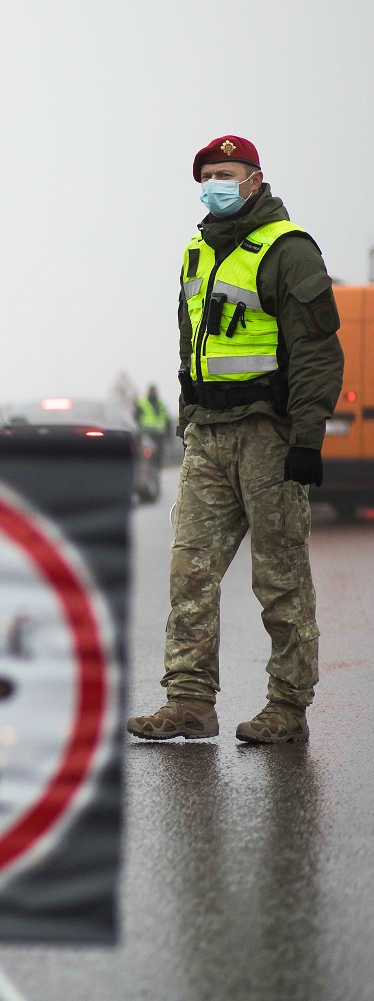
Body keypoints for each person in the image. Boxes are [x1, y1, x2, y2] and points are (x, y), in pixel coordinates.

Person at [127, 135, 343, 744]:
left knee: (279, 576)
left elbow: (316, 351)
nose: (214, 184)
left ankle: (287, 705)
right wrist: (188, 413)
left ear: (254, 179)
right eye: (206, 176)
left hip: (268, 435)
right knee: (190, 569)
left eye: (226, 173)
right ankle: (189, 701)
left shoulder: (289, 250)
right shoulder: (197, 249)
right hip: (210, 435)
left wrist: (307, 436)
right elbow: (190, 342)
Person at [134, 383, 169, 452]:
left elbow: (167, 420)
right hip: (146, 432)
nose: (152, 393)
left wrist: (168, 434)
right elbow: (136, 418)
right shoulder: (142, 403)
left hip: (158, 433)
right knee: (142, 450)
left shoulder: (161, 404)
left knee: (159, 452)